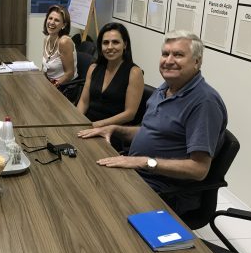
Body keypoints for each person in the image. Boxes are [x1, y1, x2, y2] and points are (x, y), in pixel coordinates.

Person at [78, 31, 228, 216]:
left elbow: (199, 169)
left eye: (178, 55)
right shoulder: (166, 88)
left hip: (162, 191)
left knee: (92, 207)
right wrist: (115, 129)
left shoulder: (204, 102)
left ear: (197, 62)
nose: (169, 60)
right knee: (80, 180)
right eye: (165, 54)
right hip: (137, 174)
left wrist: (144, 162)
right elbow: (149, 131)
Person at [77, 23, 144, 129]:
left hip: (112, 131)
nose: (110, 47)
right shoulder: (94, 68)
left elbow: (129, 114)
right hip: (87, 124)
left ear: (125, 44)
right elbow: (84, 102)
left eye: (115, 42)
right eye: (105, 43)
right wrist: (77, 121)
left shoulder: (135, 73)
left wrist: (98, 125)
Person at [41, 5, 77, 87]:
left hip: (64, 87)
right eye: (50, 18)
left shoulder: (64, 42)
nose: (52, 22)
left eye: (56, 20)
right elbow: (44, 68)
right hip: (49, 83)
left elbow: (69, 74)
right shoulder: (46, 39)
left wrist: (52, 87)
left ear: (63, 25)